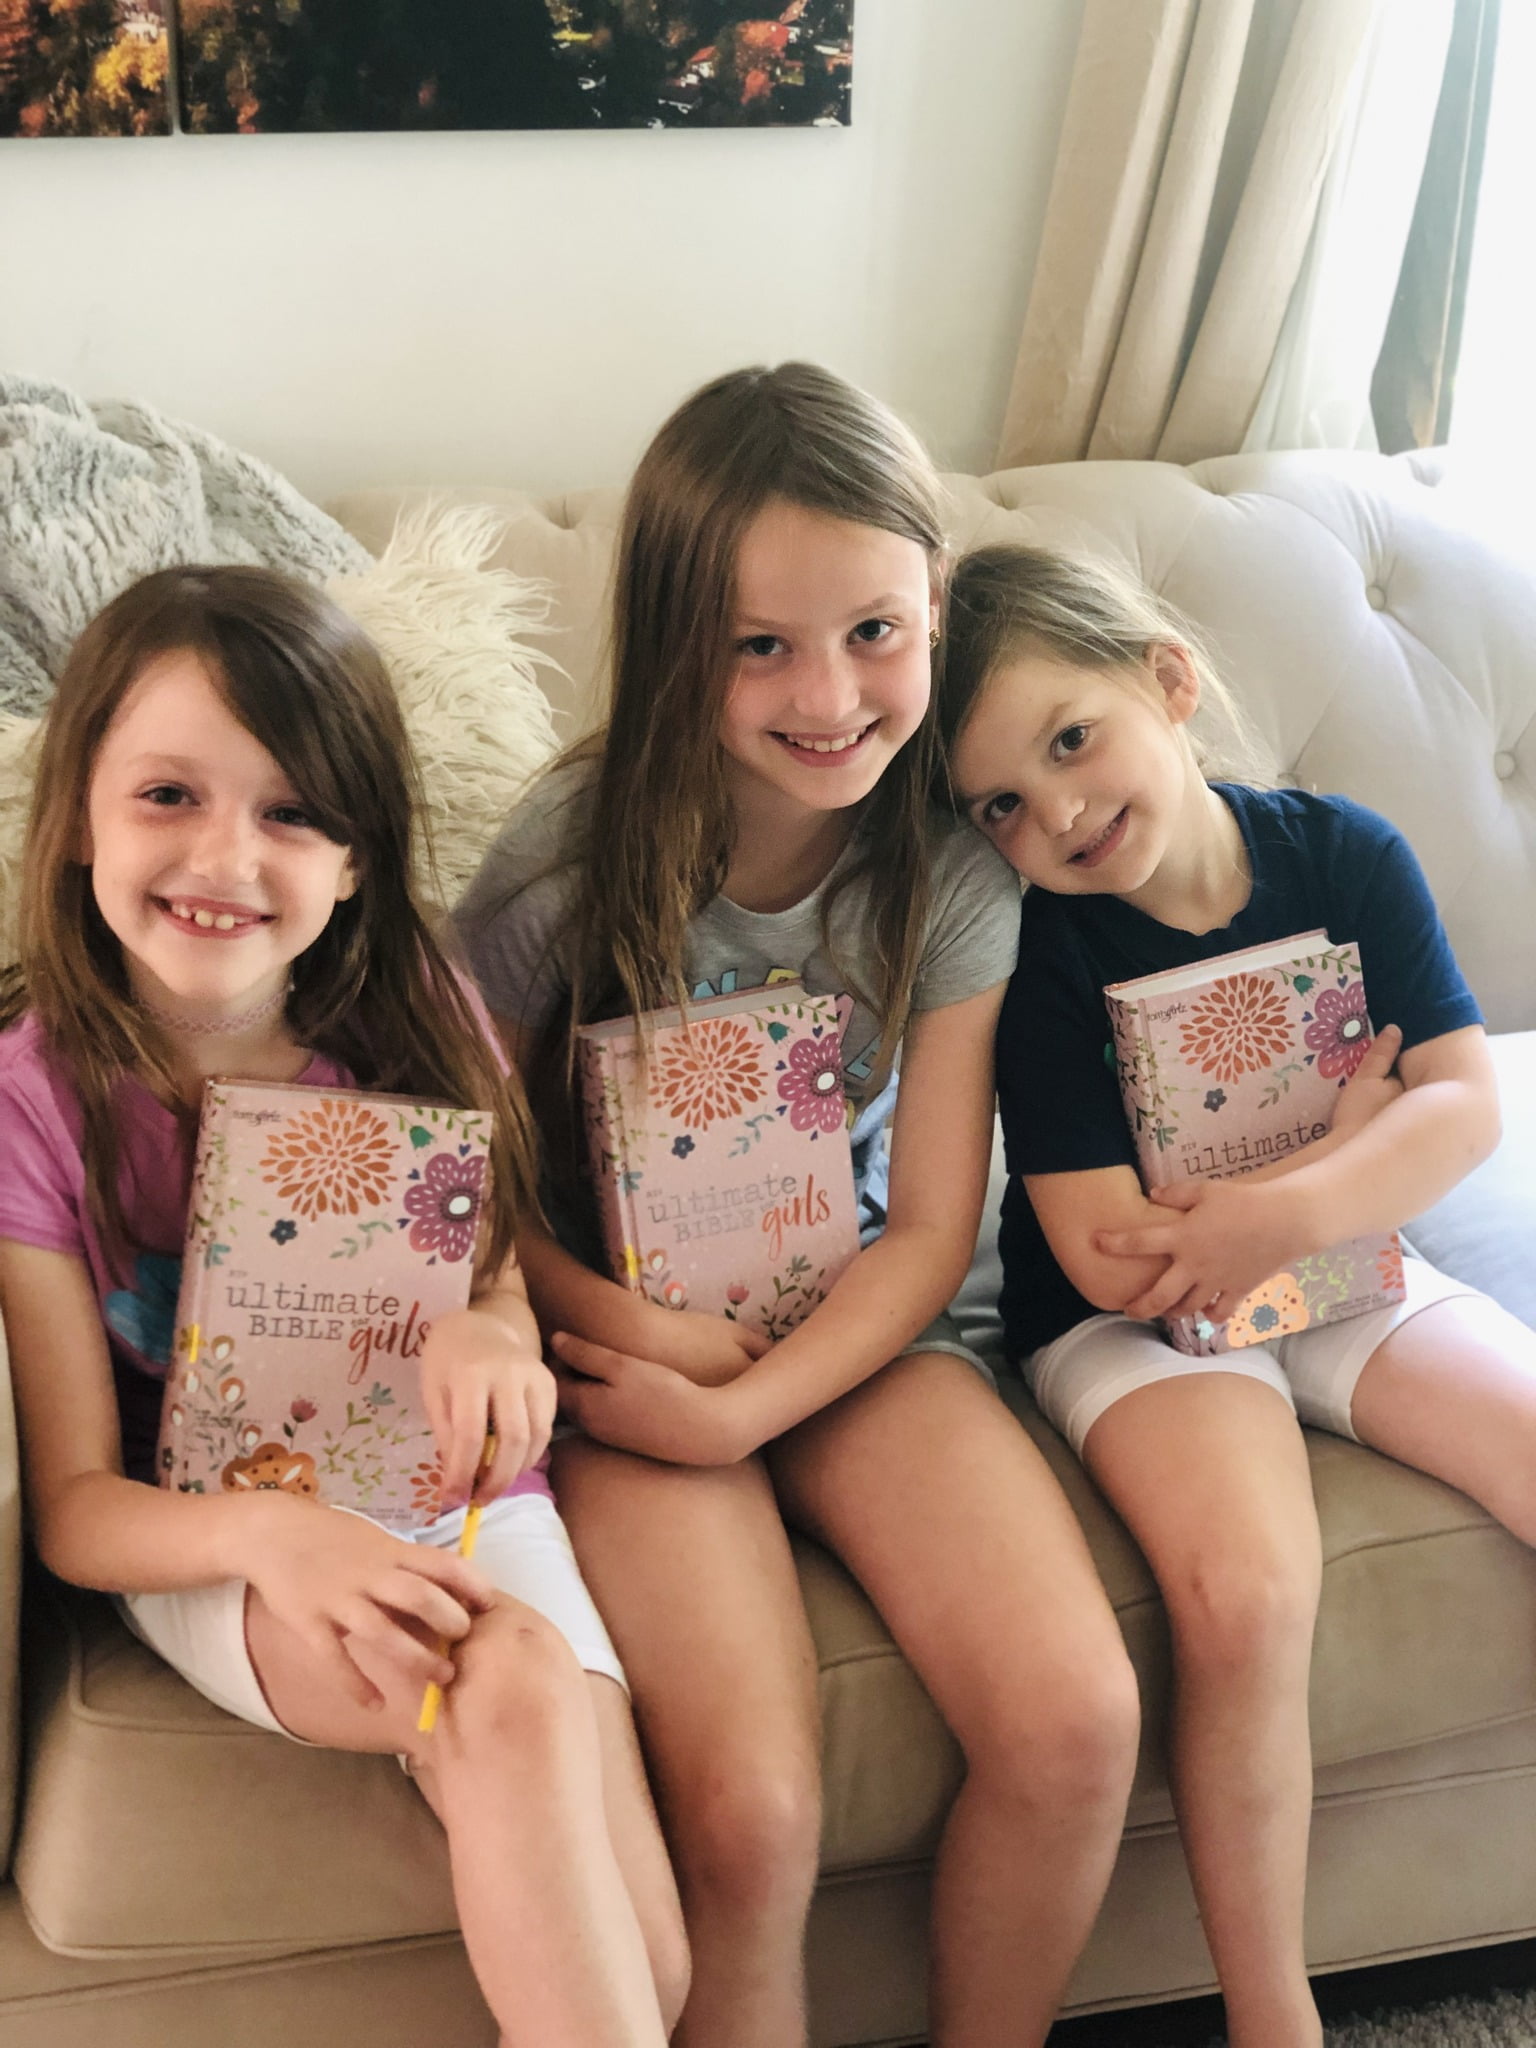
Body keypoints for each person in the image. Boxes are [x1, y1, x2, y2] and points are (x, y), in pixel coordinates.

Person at [456, 363, 1141, 2048]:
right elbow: (468, 1193)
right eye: (761, 643)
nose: (829, 694)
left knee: (1074, 1722)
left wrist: (750, 1399)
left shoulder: (954, 866)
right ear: (676, 636)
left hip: (860, 1339)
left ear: (933, 610)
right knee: (755, 1817)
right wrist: (645, 1348)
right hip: (621, 1351)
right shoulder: (562, 863)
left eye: (876, 632)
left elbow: (925, 1233)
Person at [0, 566, 689, 2048]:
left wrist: (496, 1336)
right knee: (505, 1681)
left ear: (359, 859)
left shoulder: (420, 1012)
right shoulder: (33, 1099)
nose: (225, 856)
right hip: (223, 1528)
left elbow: (496, 1275)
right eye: (169, 794)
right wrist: (273, 1534)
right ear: (76, 820)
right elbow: (71, 1505)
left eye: (293, 812)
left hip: (459, 1497)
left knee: (660, 1979)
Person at [936, 541, 1536, 2048]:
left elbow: (1460, 1106)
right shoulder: (1038, 948)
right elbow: (1106, 1255)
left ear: (1168, 681)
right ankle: (1278, 2019)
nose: (1056, 813)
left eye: (1071, 741)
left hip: (1334, 1265)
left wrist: (1298, 1201)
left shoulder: (1343, 854)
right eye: (1000, 801)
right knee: (1251, 1593)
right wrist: (1340, 1141)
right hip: (1133, 1328)